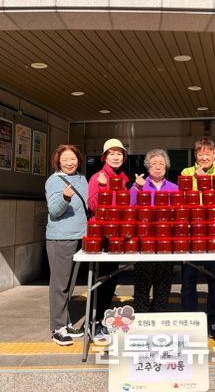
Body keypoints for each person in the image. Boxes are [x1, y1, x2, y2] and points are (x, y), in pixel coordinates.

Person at [180, 137, 215, 338]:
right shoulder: (186, 173)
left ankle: (213, 321)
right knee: (188, 280)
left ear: (214, 154)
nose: (204, 157)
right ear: (195, 155)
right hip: (191, 233)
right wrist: (197, 180)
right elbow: (184, 199)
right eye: (200, 153)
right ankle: (190, 321)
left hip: (213, 233)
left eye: (207, 153)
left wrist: (204, 184)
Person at [45, 144, 88, 346]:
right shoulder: (53, 181)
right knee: (59, 285)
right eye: (65, 160)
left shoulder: (82, 178)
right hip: (60, 238)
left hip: (79, 237)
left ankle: (66, 321)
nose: (70, 163)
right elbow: (54, 211)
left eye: (73, 159)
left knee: (70, 284)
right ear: (58, 162)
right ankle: (57, 328)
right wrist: (64, 198)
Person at [88, 138, 129, 336]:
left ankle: (103, 319)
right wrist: (103, 187)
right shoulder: (98, 177)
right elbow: (93, 206)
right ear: (104, 157)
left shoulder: (123, 179)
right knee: (101, 279)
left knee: (111, 279)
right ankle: (94, 323)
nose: (115, 157)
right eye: (111, 153)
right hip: (101, 235)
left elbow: (125, 206)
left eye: (119, 153)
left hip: (116, 235)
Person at [129, 149, 178, 312]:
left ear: (166, 167)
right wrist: (136, 187)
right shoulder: (139, 185)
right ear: (148, 167)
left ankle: (159, 315)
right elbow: (129, 206)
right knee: (142, 283)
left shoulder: (174, 188)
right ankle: (142, 316)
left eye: (161, 164)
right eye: (154, 163)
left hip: (167, 242)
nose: (158, 167)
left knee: (163, 283)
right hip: (144, 241)